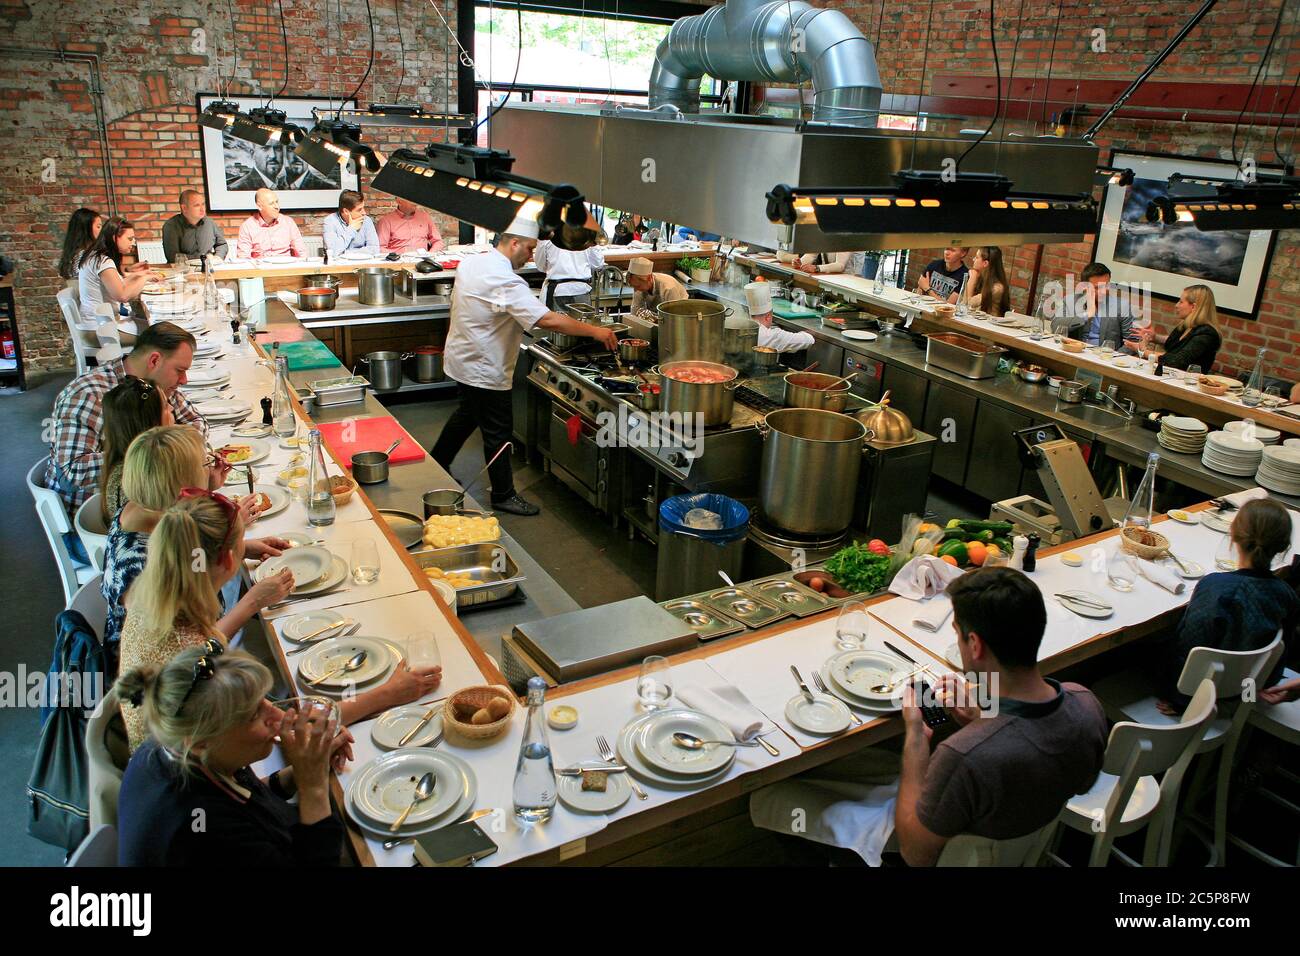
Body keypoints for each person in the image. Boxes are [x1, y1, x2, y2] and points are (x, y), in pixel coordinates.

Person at [750, 567, 1108, 866]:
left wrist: (916, 739)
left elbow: (915, 853)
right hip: (1014, 841)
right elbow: (1071, 776)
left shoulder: (966, 756)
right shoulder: (1085, 703)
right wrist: (987, 716)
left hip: (945, 849)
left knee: (776, 794)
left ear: (976, 645)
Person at [432, 219, 619, 517]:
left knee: (467, 414)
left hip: (461, 358)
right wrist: (595, 331)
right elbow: (546, 319)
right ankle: (503, 494)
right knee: (498, 431)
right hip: (483, 366)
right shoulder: (505, 280)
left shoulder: (474, 263)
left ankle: (437, 462)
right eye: (530, 248)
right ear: (514, 243)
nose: (531, 256)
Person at [116, 646, 352, 866]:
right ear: (200, 741)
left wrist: (300, 771)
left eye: (265, 700)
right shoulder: (203, 830)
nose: (278, 716)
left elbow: (244, 804)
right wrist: (314, 786)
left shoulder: (172, 748)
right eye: (254, 715)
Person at [101, 425, 289, 656]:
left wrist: (241, 548)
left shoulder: (146, 510)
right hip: (168, 677)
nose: (211, 467)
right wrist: (252, 603)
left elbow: (191, 557)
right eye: (205, 464)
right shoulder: (139, 564)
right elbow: (187, 651)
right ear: (182, 484)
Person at [46, 320, 206, 514]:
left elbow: (197, 423)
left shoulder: (155, 386)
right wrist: (158, 453)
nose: (184, 380)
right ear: (154, 360)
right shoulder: (88, 395)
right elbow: (71, 472)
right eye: (180, 370)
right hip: (97, 520)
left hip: (142, 504)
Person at [1156, 498, 1297, 715]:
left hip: (1196, 697)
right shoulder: (1286, 594)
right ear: (1284, 547)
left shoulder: (1217, 588)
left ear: (1232, 536)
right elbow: (1278, 655)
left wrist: (1180, 701)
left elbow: (1187, 650)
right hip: (1247, 689)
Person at [97, 376, 173, 524]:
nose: (171, 408)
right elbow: (171, 529)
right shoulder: (136, 483)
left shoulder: (135, 465)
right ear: (152, 423)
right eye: (165, 406)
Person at [75, 216, 163, 320]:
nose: (133, 243)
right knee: (155, 325)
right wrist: (144, 278)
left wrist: (142, 274)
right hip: (100, 325)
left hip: (98, 320)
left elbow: (118, 283)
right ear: (114, 237)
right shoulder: (103, 261)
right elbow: (123, 296)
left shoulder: (96, 256)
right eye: (130, 239)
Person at [1135, 284, 1221, 372]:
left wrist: (1143, 351)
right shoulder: (1186, 326)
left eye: (1181, 302)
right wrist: (1155, 337)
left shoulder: (1207, 334)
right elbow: (1176, 343)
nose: (1176, 305)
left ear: (1193, 307)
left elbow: (1175, 361)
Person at [1066, 262, 1137, 347]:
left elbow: (1132, 342)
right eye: (1097, 287)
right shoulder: (1072, 300)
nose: (1103, 291)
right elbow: (1056, 326)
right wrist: (1087, 315)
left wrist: (1112, 359)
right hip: (1074, 351)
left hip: (1105, 357)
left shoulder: (1122, 306)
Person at [533, 237, 606, 309]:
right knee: (581, 320)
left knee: (557, 320)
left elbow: (540, 266)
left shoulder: (548, 235)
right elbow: (598, 264)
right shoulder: (587, 234)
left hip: (558, 291)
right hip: (581, 290)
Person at [235, 188, 305, 259]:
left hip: (285, 267)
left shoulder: (288, 222)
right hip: (261, 268)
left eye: (277, 202)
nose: (277, 207)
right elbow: (243, 257)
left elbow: (301, 252)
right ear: (259, 206)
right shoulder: (247, 226)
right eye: (271, 203)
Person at [322, 189, 379, 258]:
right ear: (346, 211)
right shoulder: (330, 221)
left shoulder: (366, 220)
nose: (364, 213)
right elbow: (332, 252)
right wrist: (351, 229)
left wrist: (346, 253)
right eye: (359, 210)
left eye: (363, 208)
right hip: (340, 266)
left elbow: (375, 249)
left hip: (362, 263)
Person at [377, 196, 444, 254]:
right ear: (399, 201)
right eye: (410, 198)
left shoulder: (425, 217)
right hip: (398, 263)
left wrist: (430, 254)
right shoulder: (386, 221)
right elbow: (380, 248)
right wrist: (398, 254)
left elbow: (438, 241)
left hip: (423, 263)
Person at [962, 246, 1011, 317]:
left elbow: (965, 305)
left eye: (976, 257)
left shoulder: (997, 288)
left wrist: (972, 278)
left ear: (985, 263)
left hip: (991, 326)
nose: (973, 259)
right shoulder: (982, 279)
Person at [57, 207, 102, 283]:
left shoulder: (75, 254)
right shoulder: (86, 256)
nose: (101, 230)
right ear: (86, 229)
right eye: (98, 226)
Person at [777, 250, 864, 276]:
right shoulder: (821, 233)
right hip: (829, 276)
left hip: (847, 278)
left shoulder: (845, 234)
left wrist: (817, 268)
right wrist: (800, 263)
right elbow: (811, 255)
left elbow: (840, 266)